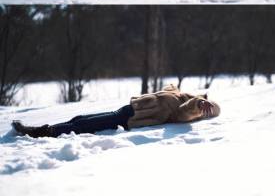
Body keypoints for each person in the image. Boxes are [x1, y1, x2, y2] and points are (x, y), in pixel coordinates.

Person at [11, 84, 220, 138]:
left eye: (203, 101)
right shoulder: (178, 93)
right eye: (202, 98)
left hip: (130, 119)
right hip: (126, 109)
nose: (201, 98)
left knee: (82, 125)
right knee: (81, 118)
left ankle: (42, 132)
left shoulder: (183, 108)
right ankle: (48, 130)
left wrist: (198, 107)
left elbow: (186, 114)